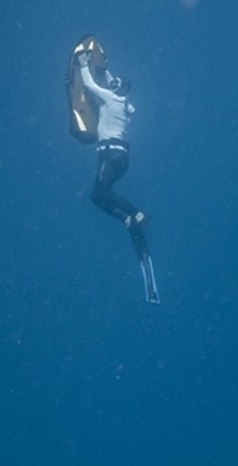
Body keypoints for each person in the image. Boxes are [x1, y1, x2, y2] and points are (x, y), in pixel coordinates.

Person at [75, 50, 158, 304]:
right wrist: (109, 71)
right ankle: (127, 220)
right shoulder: (126, 104)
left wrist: (83, 65)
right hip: (122, 159)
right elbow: (119, 87)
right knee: (94, 196)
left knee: (101, 193)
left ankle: (137, 214)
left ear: (117, 88)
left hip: (110, 155)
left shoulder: (110, 98)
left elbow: (89, 84)